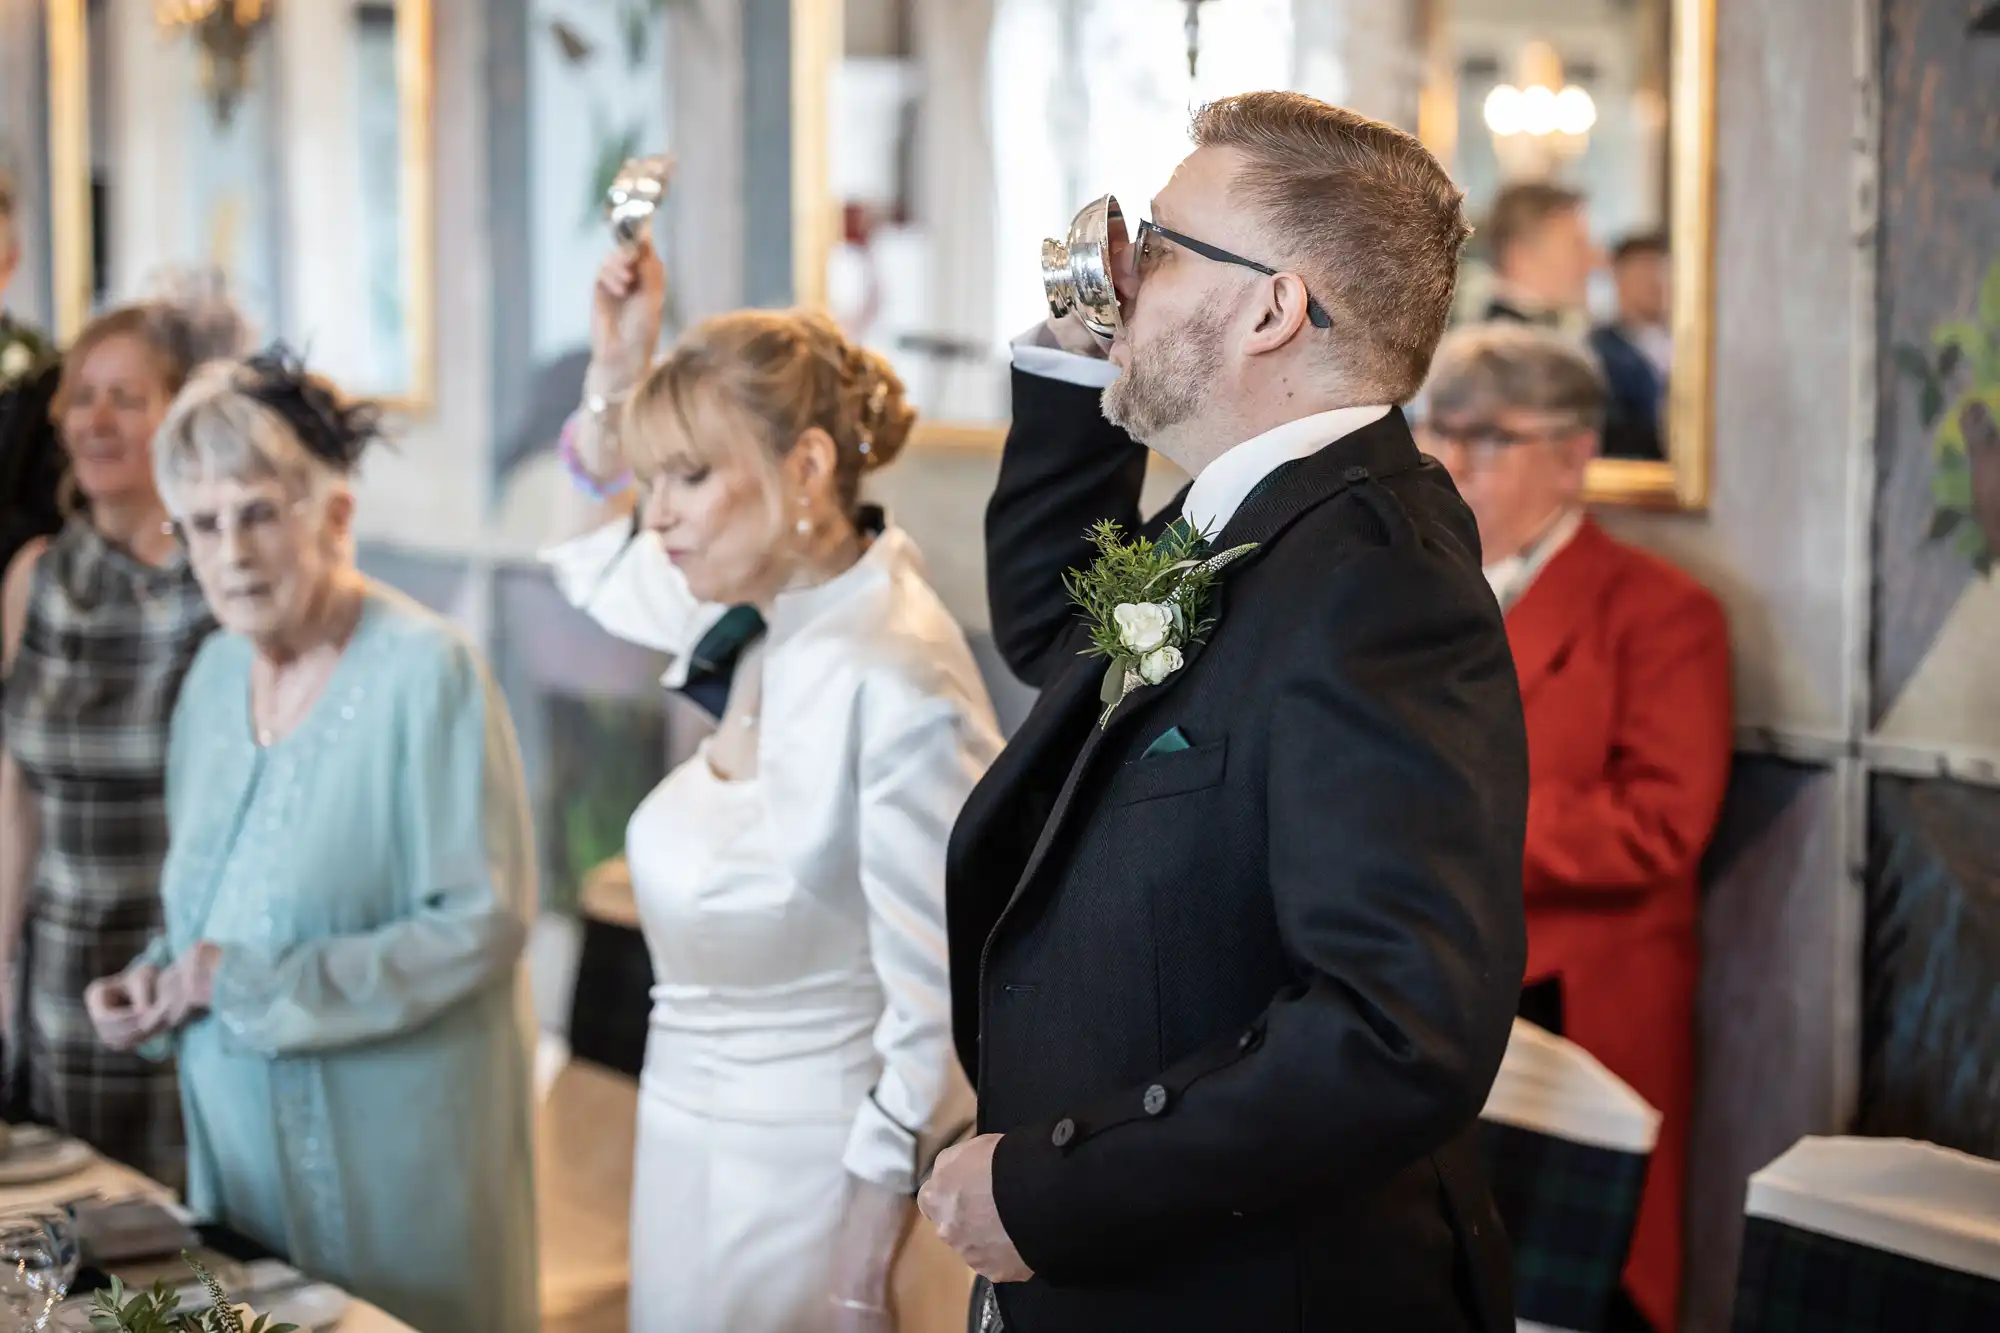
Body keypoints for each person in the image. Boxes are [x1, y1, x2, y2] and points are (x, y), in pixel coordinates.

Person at [919, 91, 1528, 1332]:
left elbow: (1393, 1031)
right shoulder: (1251, 511)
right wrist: (1069, 361)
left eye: (1158, 245)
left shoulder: (1378, 581)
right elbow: (1058, 634)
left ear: (1270, 308)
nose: (1120, 277)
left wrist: (1051, 1191)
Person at [545, 242, 1002, 1332]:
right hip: (682, 1140)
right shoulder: (755, 604)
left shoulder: (898, 678)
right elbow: (581, 562)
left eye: (688, 477)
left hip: (817, 1182)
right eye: (649, 479)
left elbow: (939, 1023)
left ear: (803, 468)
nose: (654, 516)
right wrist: (616, 370)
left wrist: (855, 1271)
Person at [82, 350, 540, 1333]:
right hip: (240, 1167)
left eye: (257, 512)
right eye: (202, 524)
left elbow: (483, 922)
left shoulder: (429, 671)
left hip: (399, 1169)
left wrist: (240, 980)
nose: (231, 551)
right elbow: (211, 907)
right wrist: (158, 981)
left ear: (330, 513)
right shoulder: (210, 677)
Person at [1422, 323, 1732, 1333]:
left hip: (1570, 1001)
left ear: (1573, 454)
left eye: (1488, 436)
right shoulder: (1410, 591)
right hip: (1419, 984)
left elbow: (1658, 823)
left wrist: (1444, 827)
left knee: (1562, 1293)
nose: (1452, 459)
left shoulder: (1658, 611)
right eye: (1438, 426)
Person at [0, 300, 237, 1183]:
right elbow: (15, 785)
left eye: (124, 398)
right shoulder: (37, 575)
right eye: (81, 397)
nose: (94, 420)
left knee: (196, 1265)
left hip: (185, 966)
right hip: (60, 970)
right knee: (77, 1236)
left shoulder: (222, 574)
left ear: (177, 413)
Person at [1589, 233, 1671, 461]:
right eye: (1643, 274)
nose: (1655, 284)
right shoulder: (1599, 352)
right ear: (1618, 278)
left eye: (1662, 273)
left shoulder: (1696, 349)